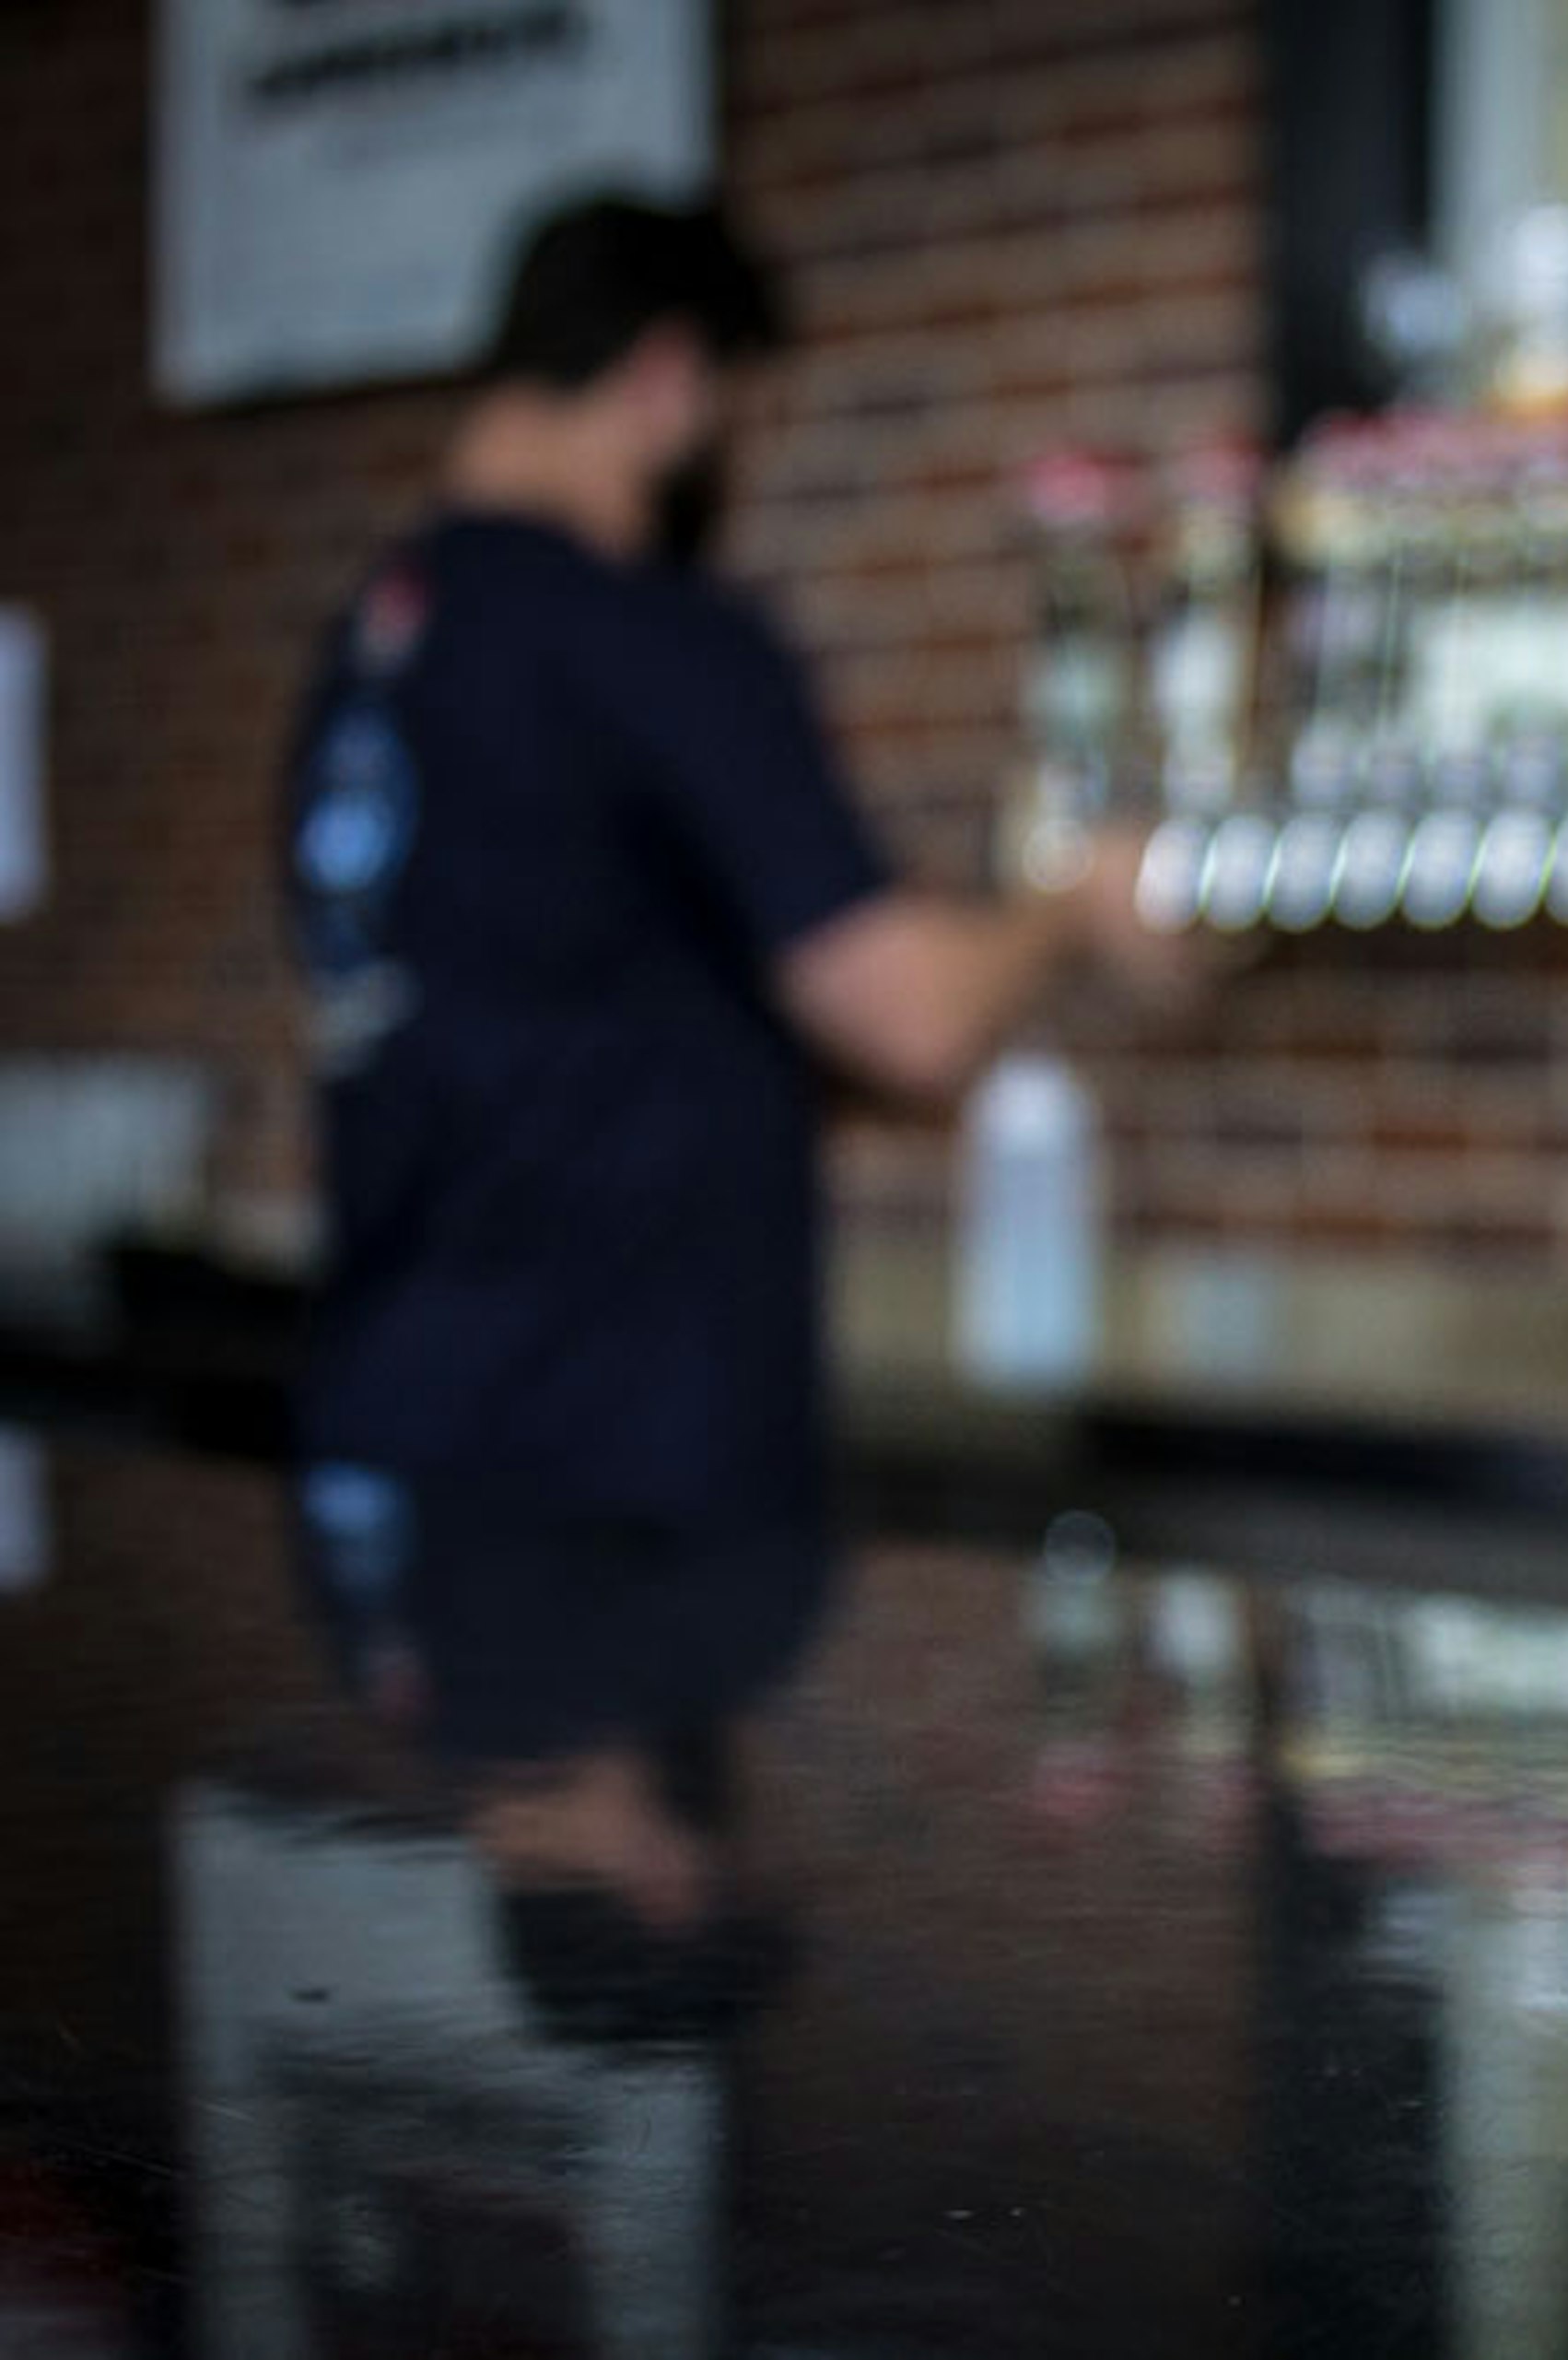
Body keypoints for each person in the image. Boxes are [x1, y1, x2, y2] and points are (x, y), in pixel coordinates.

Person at [279, 195, 1189, 1928]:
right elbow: (914, 1010)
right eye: (745, 420)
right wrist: (1076, 908)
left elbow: (574, 1014)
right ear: (670, 381)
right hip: (623, 1478)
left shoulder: (374, 652)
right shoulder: (647, 640)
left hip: (391, 1464)